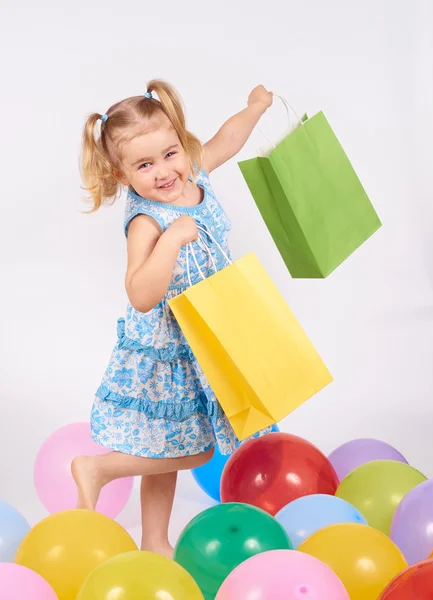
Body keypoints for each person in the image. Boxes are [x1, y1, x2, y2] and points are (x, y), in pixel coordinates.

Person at [72, 79, 273, 557]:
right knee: (195, 448)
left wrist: (256, 107)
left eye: (170, 154)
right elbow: (140, 294)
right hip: (167, 349)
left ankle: (155, 541)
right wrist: (170, 241)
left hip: (206, 337)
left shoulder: (193, 174)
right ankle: (97, 469)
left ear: (183, 145)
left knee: (166, 453)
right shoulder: (146, 221)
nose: (164, 172)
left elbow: (227, 138)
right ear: (122, 176)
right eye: (144, 165)